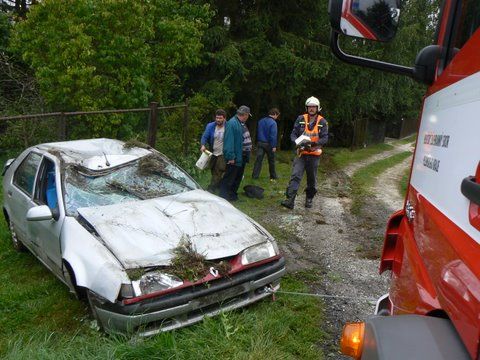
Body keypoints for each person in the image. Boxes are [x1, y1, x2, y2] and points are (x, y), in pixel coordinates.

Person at [281, 96, 328, 209]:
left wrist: (313, 144)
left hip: (314, 154)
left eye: (314, 107)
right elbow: (293, 134)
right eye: (309, 107)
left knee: (311, 179)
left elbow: (325, 138)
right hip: (301, 153)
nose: (311, 109)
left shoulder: (322, 121)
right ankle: (290, 200)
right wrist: (297, 142)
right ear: (307, 108)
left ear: (318, 108)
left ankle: (309, 199)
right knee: (295, 175)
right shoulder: (300, 118)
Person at [219, 105, 252, 201]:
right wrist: (231, 157)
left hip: (242, 156)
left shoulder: (241, 123)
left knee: (237, 177)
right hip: (235, 156)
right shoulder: (232, 123)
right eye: (248, 115)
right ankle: (223, 197)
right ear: (245, 115)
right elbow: (229, 142)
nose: (247, 117)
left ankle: (232, 195)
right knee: (229, 177)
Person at [200, 109, 227, 192]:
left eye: (220, 118)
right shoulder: (210, 126)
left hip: (223, 152)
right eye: (217, 118)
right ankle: (219, 184)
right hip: (213, 151)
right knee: (212, 169)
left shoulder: (228, 126)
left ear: (224, 118)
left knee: (219, 170)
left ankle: (211, 188)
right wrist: (203, 145)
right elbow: (205, 136)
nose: (218, 120)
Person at [252, 108, 280, 181]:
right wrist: (274, 146)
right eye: (277, 115)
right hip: (269, 144)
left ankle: (255, 176)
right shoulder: (273, 123)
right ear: (274, 114)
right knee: (271, 161)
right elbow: (273, 136)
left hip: (260, 143)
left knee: (258, 160)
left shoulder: (261, 121)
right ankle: (273, 176)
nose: (277, 117)